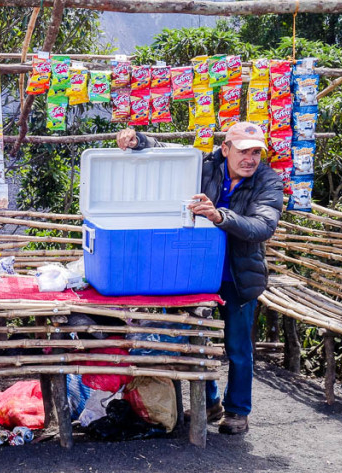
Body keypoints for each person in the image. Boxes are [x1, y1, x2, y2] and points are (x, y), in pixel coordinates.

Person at [117, 120, 283, 435]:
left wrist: (220, 216)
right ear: (226, 149)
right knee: (194, 340)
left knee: (237, 347)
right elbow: (171, 155)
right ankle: (209, 402)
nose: (250, 159)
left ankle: (237, 412)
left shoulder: (268, 181)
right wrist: (138, 139)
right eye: (243, 152)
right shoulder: (206, 165)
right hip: (194, 270)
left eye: (256, 154)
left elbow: (263, 225)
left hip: (237, 275)